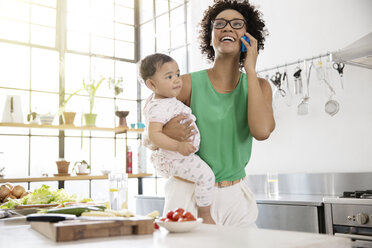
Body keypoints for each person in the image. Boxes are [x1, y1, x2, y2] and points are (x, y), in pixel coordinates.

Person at [161, 0, 275, 227]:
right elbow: (148, 133)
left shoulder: (260, 86)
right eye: (220, 24)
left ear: (249, 36)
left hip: (236, 196)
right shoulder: (184, 84)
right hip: (188, 194)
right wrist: (164, 132)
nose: (228, 28)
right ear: (210, 35)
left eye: (237, 24)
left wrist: (250, 69)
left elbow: (261, 131)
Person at [140, 53, 216, 224]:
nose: (176, 80)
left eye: (177, 74)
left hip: (179, 155)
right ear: (152, 84)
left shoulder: (166, 100)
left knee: (205, 177)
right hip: (175, 157)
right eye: (169, 76)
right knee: (207, 177)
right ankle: (205, 214)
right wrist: (178, 146)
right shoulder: (158, 107)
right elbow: (154, 135)